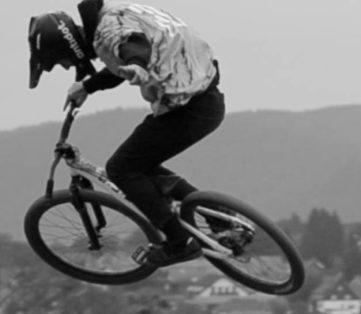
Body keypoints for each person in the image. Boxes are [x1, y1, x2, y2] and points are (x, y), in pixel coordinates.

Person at [28, 1, 225, 266]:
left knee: (121, 169)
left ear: (67, 46)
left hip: (190, 111)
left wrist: (136, 63)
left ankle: (181, 243)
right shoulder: (117, 14)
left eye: (62, 61)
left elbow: (131, 45)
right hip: (206, 102)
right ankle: (219, 218)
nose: (67, 66)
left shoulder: (109, 31)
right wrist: (87, 86)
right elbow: (119, 65)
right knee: (140, 167)